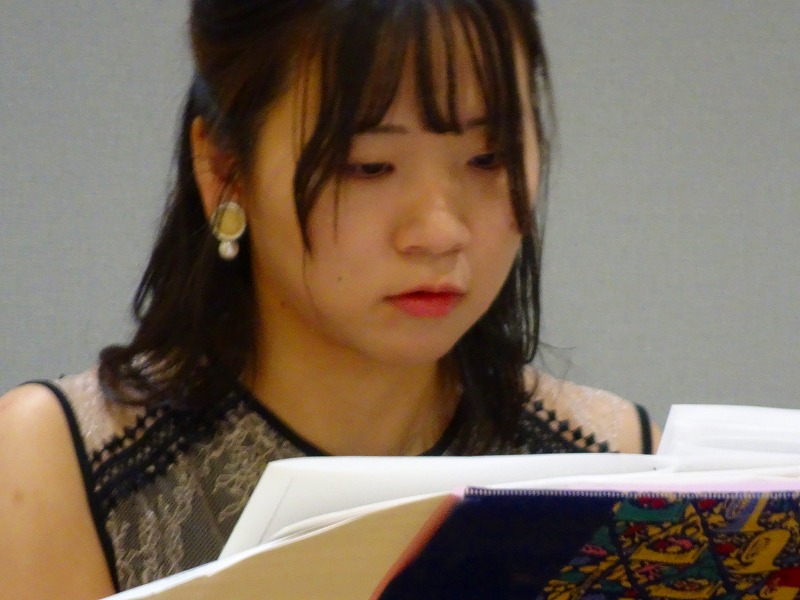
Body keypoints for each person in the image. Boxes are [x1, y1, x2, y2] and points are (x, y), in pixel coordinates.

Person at [0, 1, 659, 598]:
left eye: (488, 158)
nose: (440, 233)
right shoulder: (61, 472)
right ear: (224, 169)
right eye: (369, 166)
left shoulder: (619, 471)